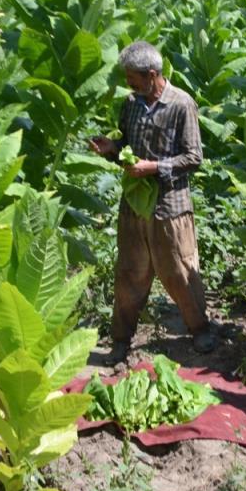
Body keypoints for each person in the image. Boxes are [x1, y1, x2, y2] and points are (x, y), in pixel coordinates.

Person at [89, 41, 217, 361]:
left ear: (152, 74)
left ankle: (200, 329)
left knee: (180, 270)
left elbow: (194, 157)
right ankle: (121, 339)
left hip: (169, 205)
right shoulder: (131, 104)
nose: (128, 85)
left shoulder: (181, 104)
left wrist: (155, 167)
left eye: (133, 79)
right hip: (134, 204)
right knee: (130, 271)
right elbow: (126, 146)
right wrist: (112, 149)